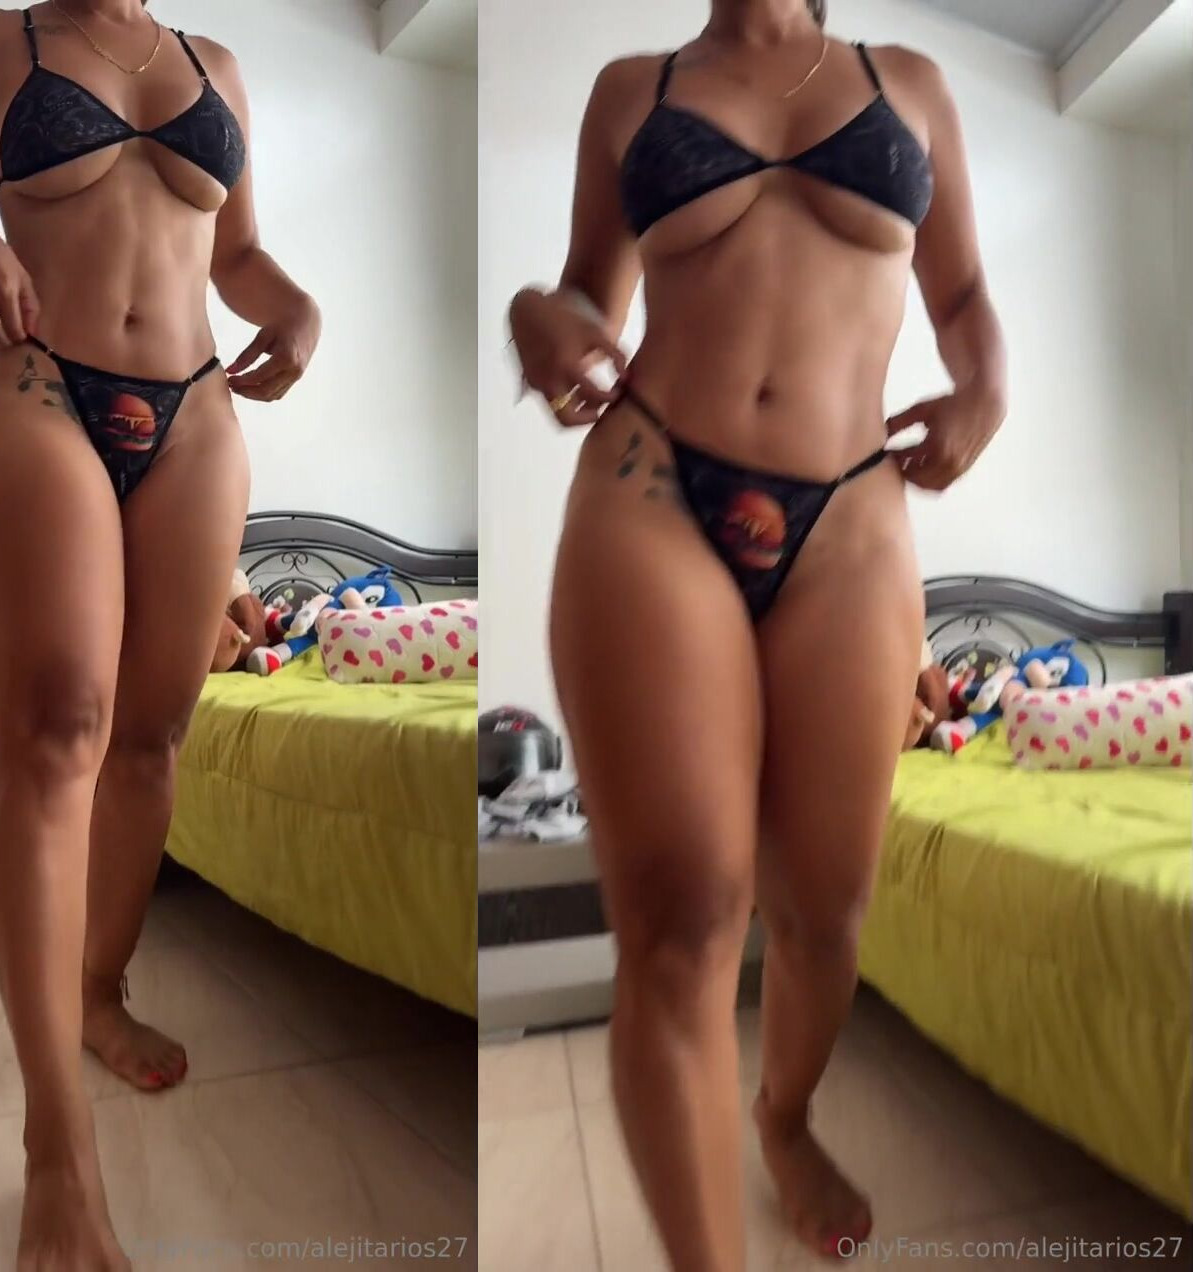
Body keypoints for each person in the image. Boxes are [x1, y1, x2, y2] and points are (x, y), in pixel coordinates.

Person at [507, 0, 1001, 1265]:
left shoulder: (911, 83)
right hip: (655, 487)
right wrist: (539, 316)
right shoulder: (633, 87)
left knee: (826, 910)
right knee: (681, 919)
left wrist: (985, 390)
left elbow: (962, 295)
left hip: (853, 516)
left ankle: (783, 1116)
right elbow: (586, 288)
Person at [0, 2, 319, 1267]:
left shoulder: (216, 67)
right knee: (56, 735)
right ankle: (57, 1142)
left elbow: (238, 254)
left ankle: (98, 992)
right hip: (46, 385)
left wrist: (297, 310)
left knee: (150, 737)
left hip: (196, 410)